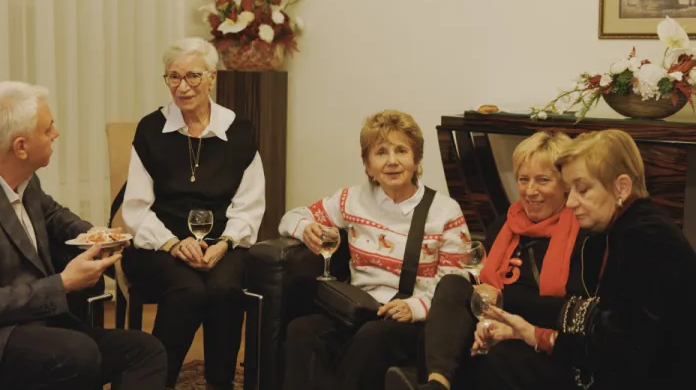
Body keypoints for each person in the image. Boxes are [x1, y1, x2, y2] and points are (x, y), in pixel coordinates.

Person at [0, 81, 167, 390]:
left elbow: (53, 215)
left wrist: (94, 235)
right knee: (77, 354)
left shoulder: (21, 178)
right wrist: (63, 283)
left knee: (146, 351)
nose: (56, 133)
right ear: (20, 147)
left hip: (32, 324)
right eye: (47, 128)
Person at [473, 129, 696, 389]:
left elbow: (623, 355)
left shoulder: (645, 237)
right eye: (570, 191)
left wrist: (536, 336)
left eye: (583, 190)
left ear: (622, 187)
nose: (570, 203)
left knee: (501, 363)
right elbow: (604, 324)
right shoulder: (626, 227)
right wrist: (527, 333)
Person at [386, 131, 607, 390]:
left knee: (496, 357)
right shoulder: (504, 225)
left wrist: (502, 302)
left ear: (565, 184)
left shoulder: (584, 234)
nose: (530, 191)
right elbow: (481, 287)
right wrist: (488, 320)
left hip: (544, 337)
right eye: (523, 179)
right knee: (452, 286)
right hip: (493, 323)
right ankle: (437, 384)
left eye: (543, 180)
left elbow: (573, 311)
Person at [279, 110, 471, 390]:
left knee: (374, 337)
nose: (392, 161)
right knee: (303, 330)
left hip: (413, 318)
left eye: (401, 151)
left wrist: (415, 307)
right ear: (368, 166)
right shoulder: (351, 199)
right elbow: (290, 217)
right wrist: (305, 227)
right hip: (359, 308)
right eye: (381, 152)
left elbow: (456, 282)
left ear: (416, 160)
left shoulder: (445, 211)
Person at [121, 37, 266, 389]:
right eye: (174, 77)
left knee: (225, 288)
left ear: (212, 77)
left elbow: (249, 204)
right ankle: (154, 382)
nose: (182, 87)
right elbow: (136, 208)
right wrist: (173, 243)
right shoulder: (150, 129)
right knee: (189, 291)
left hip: (223, 242)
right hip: (159, 245)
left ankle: (219, 382)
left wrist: (225, 243)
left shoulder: (239, 131)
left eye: (193, 76)